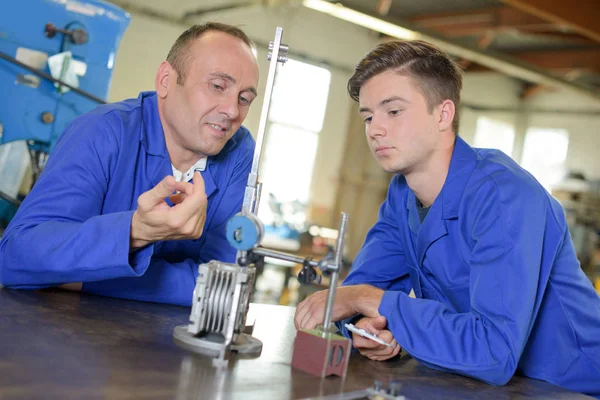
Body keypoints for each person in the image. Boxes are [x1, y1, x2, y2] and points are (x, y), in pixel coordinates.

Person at [294, 40, 600, 396]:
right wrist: (375, 331)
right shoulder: (401, 196)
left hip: (571, 386)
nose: (375, 129)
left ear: (443, 114)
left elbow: (493, 350)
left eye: (393, 112)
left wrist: (371, 301)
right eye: (368, 116)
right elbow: (355, 300)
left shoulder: (504, 196)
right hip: (477, 381)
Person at [0, 22, 260, 306]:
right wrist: (136, 231)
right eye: (217, 86)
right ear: (165, 80)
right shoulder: (101, 132)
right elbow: (16, 257)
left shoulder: (238, 152)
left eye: (244, 98)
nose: (232, 111)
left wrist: (82, 278)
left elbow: (224, 288)